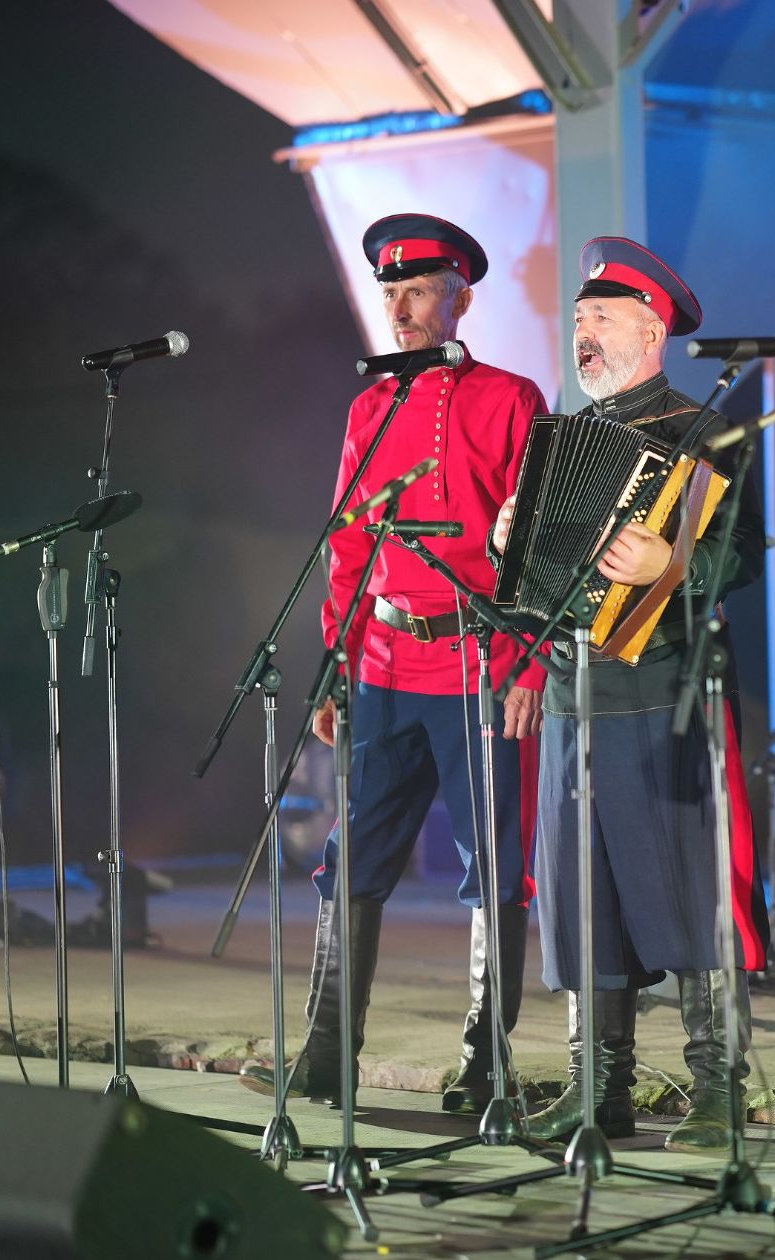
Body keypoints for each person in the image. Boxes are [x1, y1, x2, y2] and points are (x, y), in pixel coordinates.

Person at [241, 213, 548, 1115]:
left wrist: (527, 663)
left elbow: (539, 544)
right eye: (391, 294)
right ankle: (327, 1054)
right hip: (382, 661)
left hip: (480, 660)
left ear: (461, 300)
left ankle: (487, 1070)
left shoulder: (511, 397)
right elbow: (348, 543)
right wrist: (335, 664)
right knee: (350, 858)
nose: (401, 309)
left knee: (496, 867)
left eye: (418, 292)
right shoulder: (369, 408)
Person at [491, 236, 768, 1153]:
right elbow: (542, 577)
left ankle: (719, 1087)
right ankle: (595, 1088)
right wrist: (506, 541)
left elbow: (739, 560)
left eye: (602, 318)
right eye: (579, 318)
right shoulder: (564, 437)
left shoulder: (706, 429)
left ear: (653, 330)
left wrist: (670, 564)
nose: (585, 333)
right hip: (575, 693)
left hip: (665, 690)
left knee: (691, 887)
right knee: (585, 897)